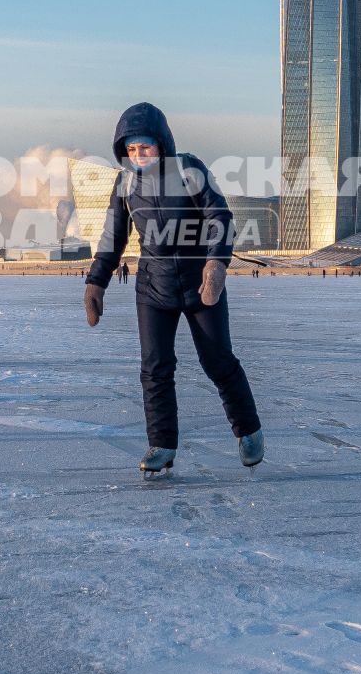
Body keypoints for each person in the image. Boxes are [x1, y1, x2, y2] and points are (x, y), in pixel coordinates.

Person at [83, 102, 262, 478]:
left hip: (201, 284)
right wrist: (96, 281)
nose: (138, 155)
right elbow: (113, 237)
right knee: (155, 368)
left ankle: (249, 432)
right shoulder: (126, 183)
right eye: (130, 150)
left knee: (218, 362)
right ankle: (162, 444)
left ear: (162, 143)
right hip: (153, 285)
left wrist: (216, 264)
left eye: (144, 147)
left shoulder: (189, 170)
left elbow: (219, 216)